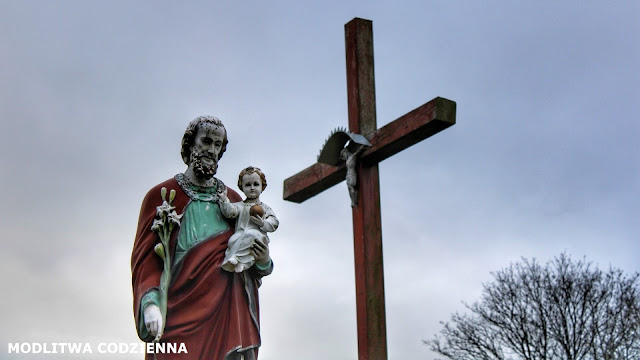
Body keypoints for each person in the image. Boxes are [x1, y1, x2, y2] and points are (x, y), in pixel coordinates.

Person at [131, 115, 273, 360]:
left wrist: (263, 259)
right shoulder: (162, 197)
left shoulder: (234, 201)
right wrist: (150, 304)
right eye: (206, 141)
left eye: (218, 145)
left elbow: (250, 260)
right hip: (177, 313)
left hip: (226, 314)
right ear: (190, 144)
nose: (211, 150)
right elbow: (146, 262)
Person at [219, 166, 279, 273]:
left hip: (258, 237)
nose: (252, 188)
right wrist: (224, 200)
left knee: (252, 235)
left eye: (256, 184)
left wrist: (262, 223)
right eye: (247, 185)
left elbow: (274, 223)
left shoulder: (265, 208)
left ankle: (240, 261)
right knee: (233, 240)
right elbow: (230, 212)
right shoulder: (240, 206)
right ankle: (237, 262)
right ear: (241, 187)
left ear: (262, 186)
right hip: (241, 235)